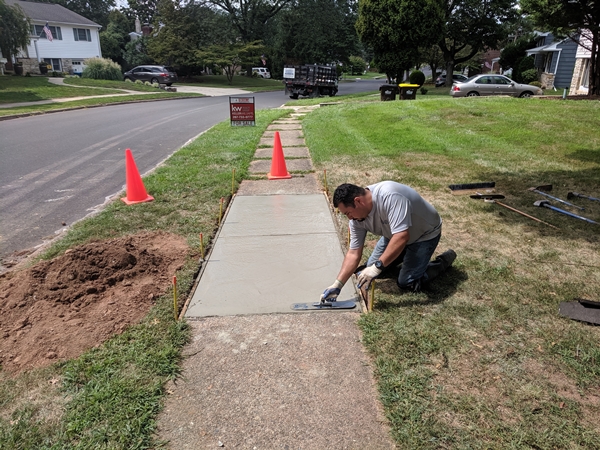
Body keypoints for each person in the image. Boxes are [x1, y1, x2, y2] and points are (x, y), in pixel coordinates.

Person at [321, 181, 456, 301]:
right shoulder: (356, 220)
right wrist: (337, 285)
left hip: (424, 234)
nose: (349, 218)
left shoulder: (390, 196)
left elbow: (402, 236)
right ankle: (401, 255)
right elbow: (353, 253)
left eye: (348, 213)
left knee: (407, 282)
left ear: (357, 201)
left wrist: (378, 267)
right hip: (393, 235)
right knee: (367, 272)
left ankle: (443, 261)